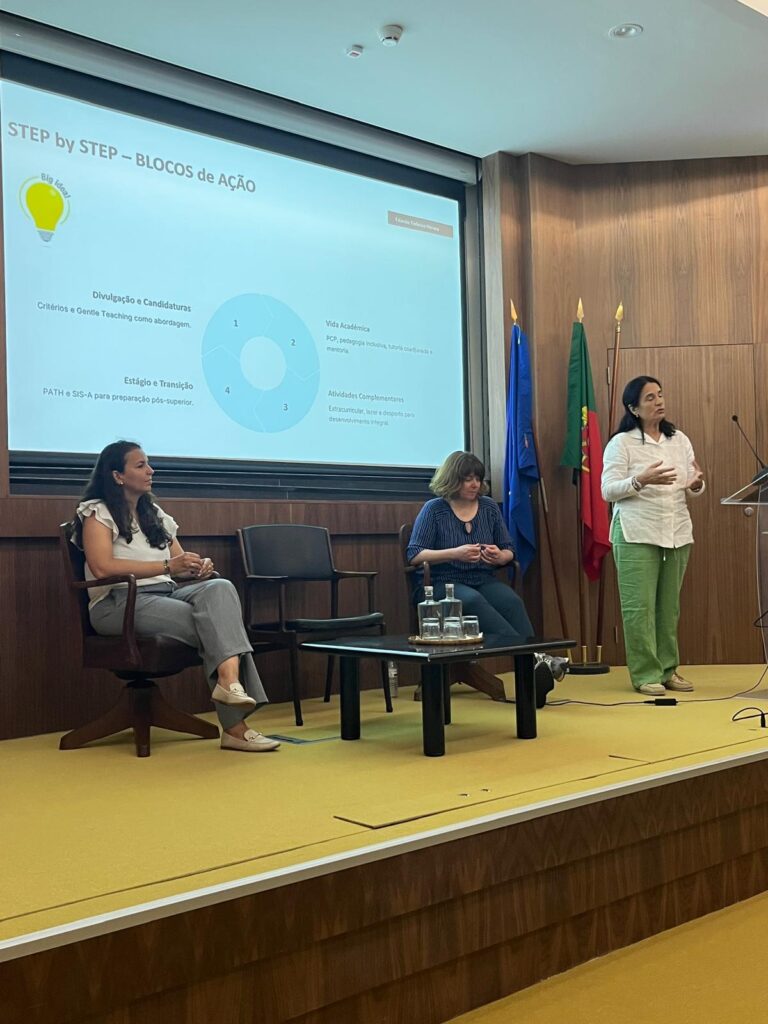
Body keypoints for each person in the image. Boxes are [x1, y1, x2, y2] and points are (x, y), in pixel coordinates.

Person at [72, 440, 279, 752]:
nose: (150, 471)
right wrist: (170, 566)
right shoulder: (97, 512)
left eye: (148, 464)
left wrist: (197, 568)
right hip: (120, 603)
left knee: (220, 588)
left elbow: (179, 565)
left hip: (166, 594)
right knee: (218, 626)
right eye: (140, 465)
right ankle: (235, 726)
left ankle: (229, 683)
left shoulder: (154, 513)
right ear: (117, 475)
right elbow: (102, 568)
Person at [407, 451, 567, 705]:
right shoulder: (434, 509)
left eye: (478, 479)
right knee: (472, 601)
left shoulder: (489, 507)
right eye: (467, 479)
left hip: (482, 577)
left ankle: (533, 669)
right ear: (452, 479)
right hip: (442, 583)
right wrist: (455, 553)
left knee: (512, 601)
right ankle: (537, 660)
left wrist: (499, 556)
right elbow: (415, 555)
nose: (474, 484)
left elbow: (509, 550)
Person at [601, 376, 704, 695]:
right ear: (633, 408)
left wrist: (697, 484)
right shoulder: (621, 443)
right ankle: (646, 674)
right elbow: (607, 490)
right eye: (649, 397)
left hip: (676, 530)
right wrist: (640, 480)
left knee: (669, 608)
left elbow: (691, 483)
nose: (659, 401)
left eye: (660, 394)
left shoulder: (679, 440)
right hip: (636, 531)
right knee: (639, 608)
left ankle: (668, 670)